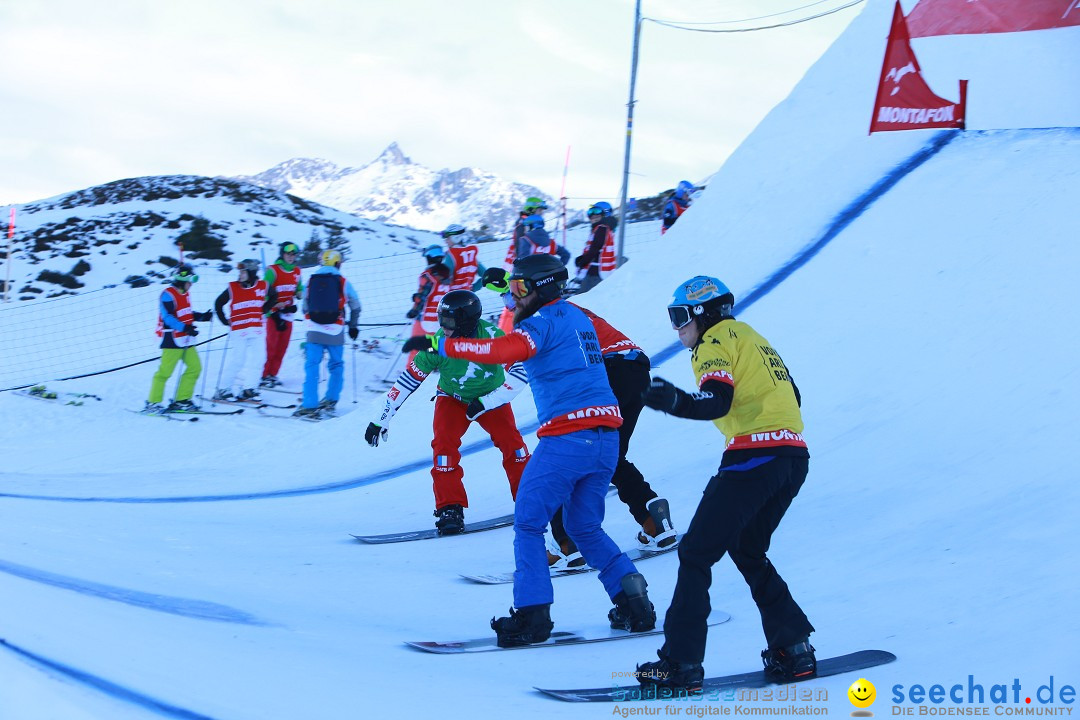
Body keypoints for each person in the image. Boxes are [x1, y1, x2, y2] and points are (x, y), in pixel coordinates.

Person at [404, 254, 657, 647]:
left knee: (527, 522)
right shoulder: (576, 316)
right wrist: (501, 286)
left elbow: (501, 351)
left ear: (541, 289)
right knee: (585, 527)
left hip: (568, 438)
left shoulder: (540, 324)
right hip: (605, 438)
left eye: (520, 287)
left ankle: (532, 616)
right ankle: (634, 601)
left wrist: (444, 343)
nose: (514, 294)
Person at [634, 275, 815, 693]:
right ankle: (794, 647)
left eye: (679, 318)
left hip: (753, 458)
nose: (677, 329)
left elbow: (718, 400)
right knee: (748, 549)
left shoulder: (712, 341)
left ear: (702, 314)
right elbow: (794, 395)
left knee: (696, 553)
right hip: (793, 457)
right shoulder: (753, 336)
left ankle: (679, 664)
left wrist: (674, 400)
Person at [366, 290, 531, 535]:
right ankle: (449, 508)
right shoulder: (438, 344)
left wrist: (491, 400)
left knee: (514, 446)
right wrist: (382, 418)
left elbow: (522, 369)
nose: (444, 328)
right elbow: (407, 380)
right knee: (443, 448)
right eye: (441, 321)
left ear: (467, 321)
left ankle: (529, 500)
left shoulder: (494, 337)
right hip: (452, 399)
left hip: (491, 400)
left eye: (450, 322)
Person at [546, 303, 677, 569]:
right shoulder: (566, 305)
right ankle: (653, 519)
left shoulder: (535, 316)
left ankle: (566, 544)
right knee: (612, 456)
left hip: (603, 373)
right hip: (636, 369)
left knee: (564, 454)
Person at [293, 250, 361, 419]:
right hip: (335, 330)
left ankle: (309, 405)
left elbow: (304, 307)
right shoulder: (343, 281)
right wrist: (353, 326)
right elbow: (356, 305)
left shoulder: (312, 280)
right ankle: (331, 399)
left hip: (314, 329)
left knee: (312, 365)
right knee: (336, 365)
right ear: (338, 263)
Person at [144, 264, 214, 414]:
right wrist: (185, 328)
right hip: (172, 339)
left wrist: (202, 316)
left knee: (195, 368)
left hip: (186, 339)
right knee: (164, 373)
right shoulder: (167, 295)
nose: (191, 285)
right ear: (182, 280)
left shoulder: (185, 293)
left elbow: (186, 313)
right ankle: (152, 403)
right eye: (190, 281)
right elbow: (167, 317)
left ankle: (182, 400)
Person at [212, 259, 275, 402]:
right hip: (239, 329)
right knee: (238, 360)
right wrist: (224, 320)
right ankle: (223, 389)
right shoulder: (233, 287)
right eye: (239, 272)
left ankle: (250, 389)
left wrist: (265, 309)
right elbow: (218, 303)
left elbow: (274, 296)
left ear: (251, 272)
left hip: (257, 328)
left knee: (260, 358)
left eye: (243, 272)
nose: (240, 274)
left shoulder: (263, 286)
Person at [261, 242, 305, 389]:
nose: (291, 257)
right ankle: (264, 375)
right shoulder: (272, 271)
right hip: (273, 314)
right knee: (271, 346)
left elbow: (298, 289)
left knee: (283, 346)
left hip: (287, 314)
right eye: (288, 254)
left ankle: (273, 374)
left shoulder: (297, 272)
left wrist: (300, 294)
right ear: (282, 254)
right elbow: (263, 292)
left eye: (293, 255)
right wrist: (273, 306)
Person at [573, 201, 619, 294]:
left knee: (583, 300)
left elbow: (595, 248)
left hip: (596, 272)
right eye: (590, 212)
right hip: (598, 271)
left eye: (596, 211)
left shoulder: (602, 228)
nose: (593, 216)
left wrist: (582, 261)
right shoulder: (604, 228)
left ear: (605, 214)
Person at [441, 224, 487, 291]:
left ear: (456, 238)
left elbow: (442, 281)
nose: (446, 241)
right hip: (468, 296)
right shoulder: (470, 254)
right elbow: (486, 275)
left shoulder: (451, 256)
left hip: (451, 298)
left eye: (448, 238)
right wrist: (473, 288)